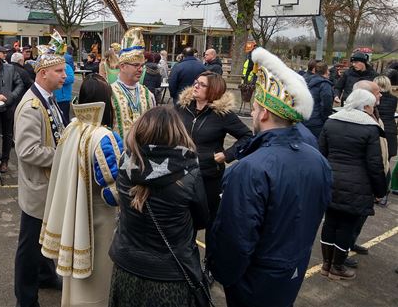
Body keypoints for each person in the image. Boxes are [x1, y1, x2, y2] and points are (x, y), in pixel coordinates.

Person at [209, 47, 332, 307]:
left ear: (264, 113)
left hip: (254, 279)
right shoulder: (317, 159)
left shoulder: (251, 168)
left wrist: (224, 275)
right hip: (291, 271)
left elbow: (236, 238)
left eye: (254, 108)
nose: (252, 114)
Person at [108, 106, 208, 307]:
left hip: (127, 266)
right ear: (177, 132)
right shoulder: (189, 172)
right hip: (170, 274)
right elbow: (202, 220)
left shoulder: (126, 164)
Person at [41, 74, 123, 307]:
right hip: (97, 221)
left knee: (74, 278)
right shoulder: (104, 136)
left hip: (72, 213)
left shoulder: (72, 127)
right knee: (96, 277)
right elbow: (114, 193)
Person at [14, 32, 69, 307]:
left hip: (47, 183)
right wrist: (63, 155)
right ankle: (25, 299)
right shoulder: (31, 107)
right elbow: (26, 151)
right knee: (29, 246)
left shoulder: (48, 98)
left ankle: (46, 276)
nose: (65, 76)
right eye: (59, 71)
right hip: (38, 187)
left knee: (45, 237)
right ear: (44, 73)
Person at [176, 70, 252, 257]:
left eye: (202, 85)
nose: (196, 86)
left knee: (211, 222)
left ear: (213, 90)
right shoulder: (182, 107)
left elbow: (247, 136)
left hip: (208, 176)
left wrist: (227, 155)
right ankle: (186, 260)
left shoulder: (222, 114)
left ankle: (209, 265)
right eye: (196, 82)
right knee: (185, 219)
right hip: (181, 174)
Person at [318, 89, 387, 280]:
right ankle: (337, 266)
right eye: (372, 106)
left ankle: (326, 264)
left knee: (330, 222)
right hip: (357, 185)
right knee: (347, 226)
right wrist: (381, 190)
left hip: (330, 180)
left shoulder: (331, 121)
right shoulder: (370, 128)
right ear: (365, 106)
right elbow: (375, 164)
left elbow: (320, 153)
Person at [110, 28, 155, 142]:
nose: (140, 69)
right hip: (119, 155)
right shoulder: (109, 92)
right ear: (122, 66)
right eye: (136, 65)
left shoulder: (147, 94)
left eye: (142, 65)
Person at [303, 61, 335, 138]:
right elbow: (326, 105)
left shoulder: (305, 81)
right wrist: (325, 119)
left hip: (303, 119)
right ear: (326, 71)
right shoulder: (325, 85)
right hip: (317, 122)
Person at [374, 75, 397, 161]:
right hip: (390, 129)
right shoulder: (394, 99)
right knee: (387, 159)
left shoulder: (374, 98)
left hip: (378, 129)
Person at [53, 52, 75, 121]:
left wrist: (59, 80)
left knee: (64, 118)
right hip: (53, 98)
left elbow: (71, 78)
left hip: (64, 98)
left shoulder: (67, 66)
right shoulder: (52, 66)